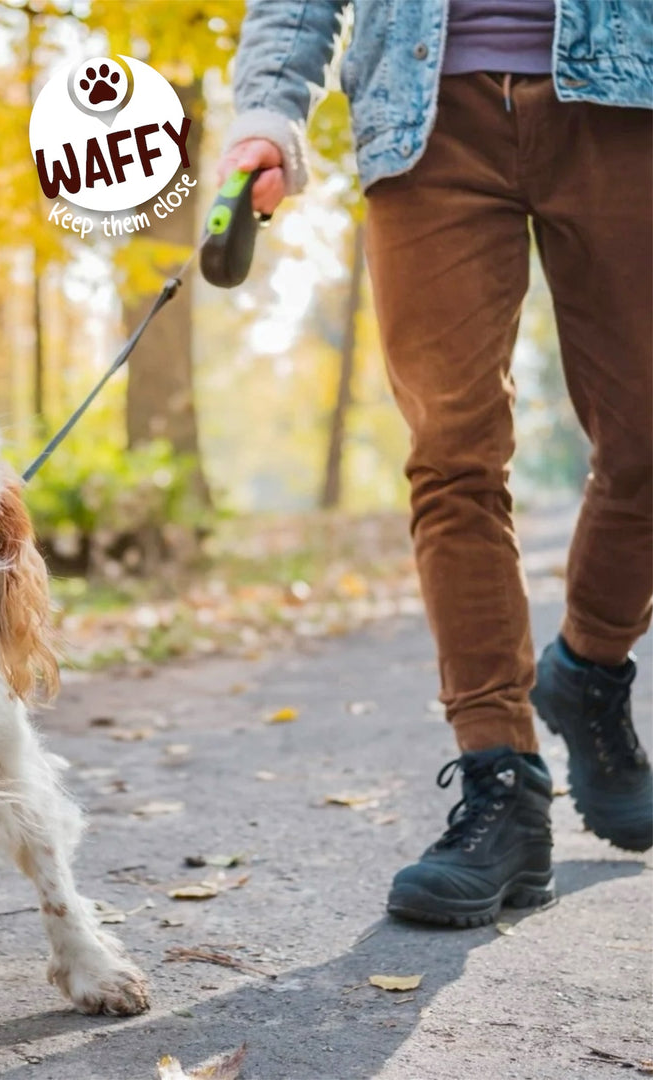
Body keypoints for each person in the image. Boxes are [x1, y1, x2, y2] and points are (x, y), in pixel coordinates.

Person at [219, 0, 652, 927]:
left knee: (647, 439)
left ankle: (589, 666)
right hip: (423, 114)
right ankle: (503, 784)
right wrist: (267, 110)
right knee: (453, 456)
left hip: (628, 102)